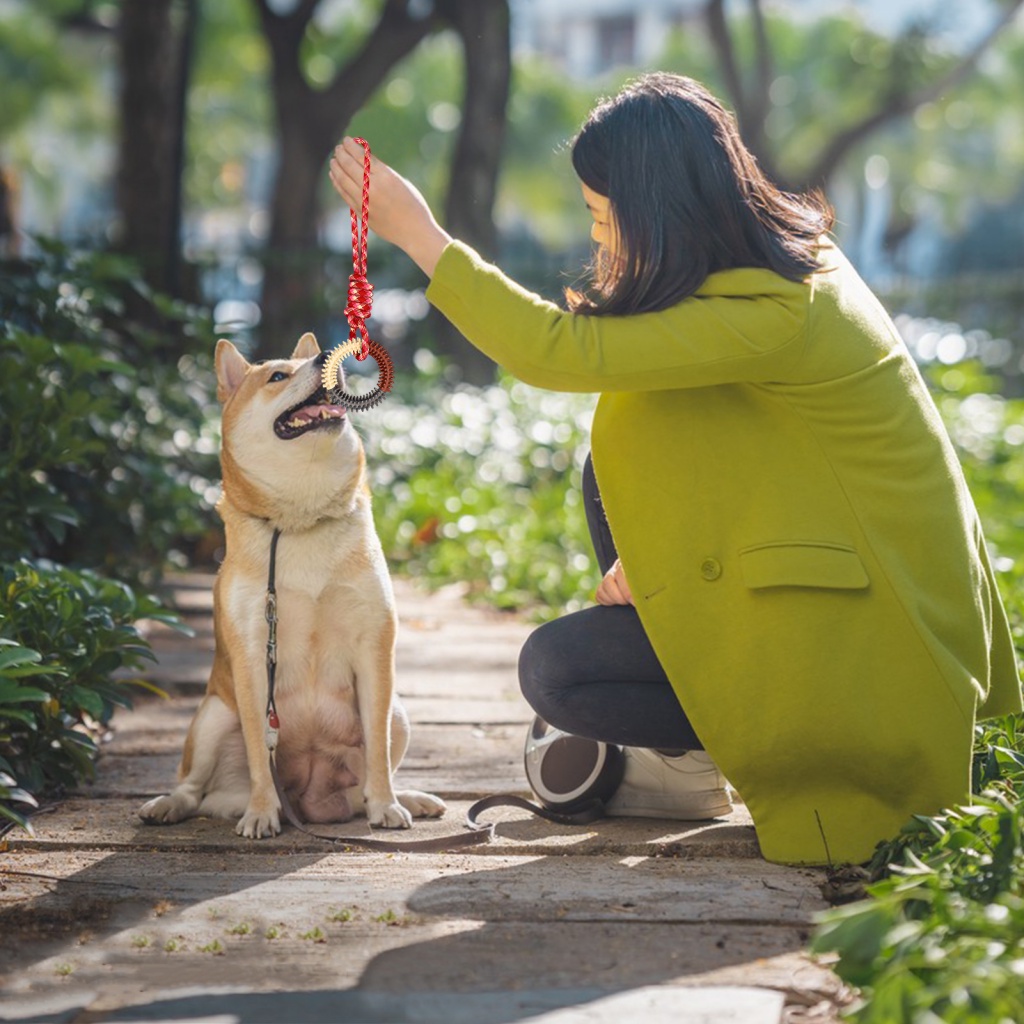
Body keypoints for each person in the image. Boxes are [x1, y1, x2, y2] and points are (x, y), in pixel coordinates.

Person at [328, 72, 1021, 866]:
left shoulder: (779, 311)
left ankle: (704, 761)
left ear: (658, 211)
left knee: (561, 672)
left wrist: (420, 235)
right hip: (834, 594)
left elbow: (558, 353)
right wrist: (656, 555)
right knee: (614, 457)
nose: (597, 240)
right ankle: (686, 767)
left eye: (601, 217)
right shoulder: (782, 274)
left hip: (868, 657)